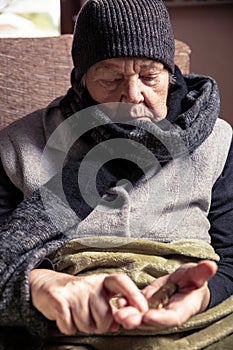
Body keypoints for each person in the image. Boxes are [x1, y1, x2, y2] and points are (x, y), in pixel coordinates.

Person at [0, 0, 233, 348]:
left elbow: (231, 258)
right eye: (110, 78)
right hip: (70, 319)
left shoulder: (217, 141)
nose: (132, 94)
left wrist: (202, 294)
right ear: (80, 80)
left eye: (150, 76)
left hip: (197, 312)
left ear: (171, 74)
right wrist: (40, 284)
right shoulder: (18, 145)